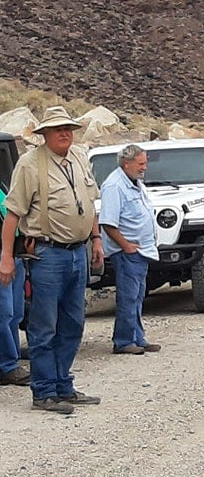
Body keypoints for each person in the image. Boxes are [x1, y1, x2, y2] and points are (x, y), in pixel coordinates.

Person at [0, 106, 103, 415]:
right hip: (47, 254)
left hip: (77, 252)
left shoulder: (80, 158)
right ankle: (44, 391)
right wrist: (6, 256)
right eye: (58, 128)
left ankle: (62, 385)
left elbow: (89, 203)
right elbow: (13, 213)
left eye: (68, 127)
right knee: (44, 326)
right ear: (44, 134)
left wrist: (96, 239)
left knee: (73, 323)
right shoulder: (30, 165)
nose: (65, 133)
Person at [99, 142, 161, 355]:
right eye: (141, 163)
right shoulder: (114, 186)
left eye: (145, 163)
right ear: (127, 163)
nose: (144, 167)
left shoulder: (134, 182)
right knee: (128, 296)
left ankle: (137, 338)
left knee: (137, 295)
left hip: (141, 251)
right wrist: (125, 246)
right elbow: (108, 222)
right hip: (127, 253)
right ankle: (124, 341)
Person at [0, 177, 30, 387]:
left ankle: (13, 355)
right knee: (4, 312)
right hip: (3, 257)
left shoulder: (2, 185)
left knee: (16, 312)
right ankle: (7, 365)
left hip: (14, 255)